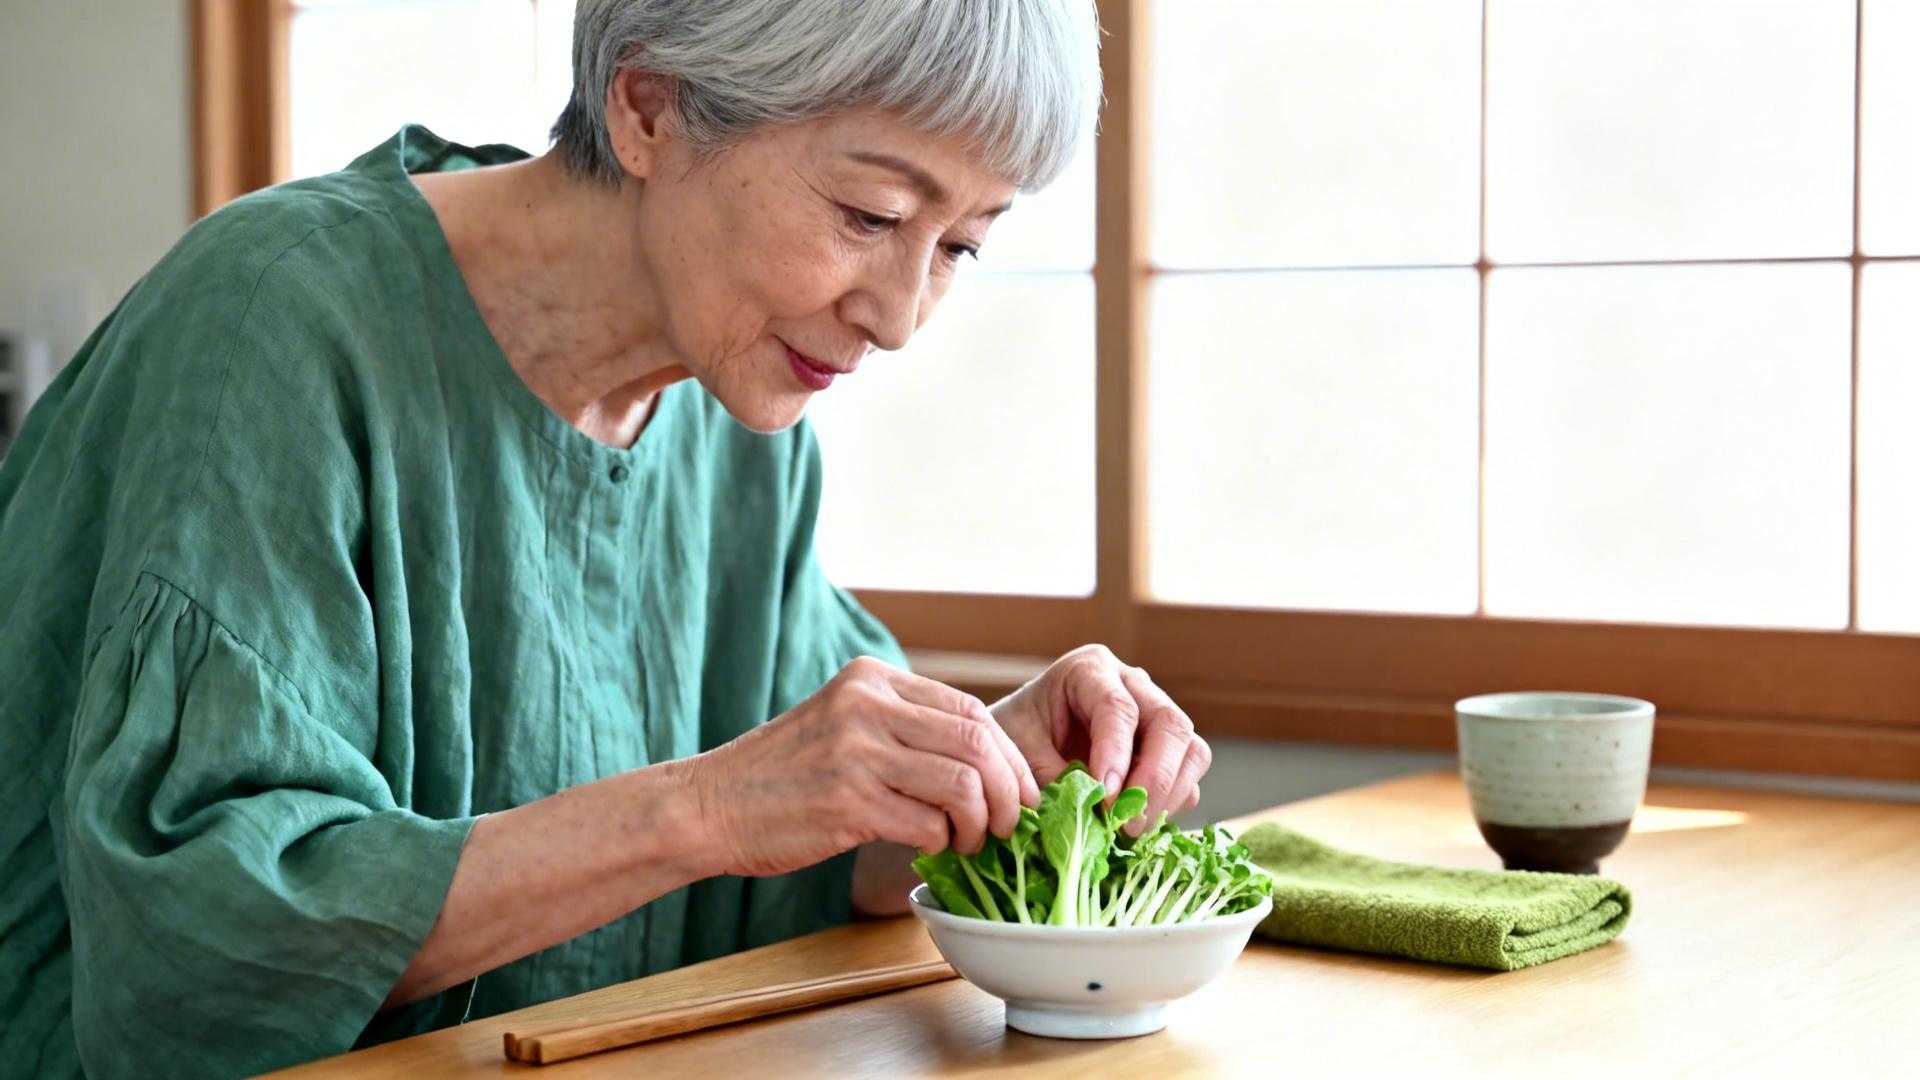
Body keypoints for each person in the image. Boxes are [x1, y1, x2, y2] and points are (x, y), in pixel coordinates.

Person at [0, 2, 1212, 1075]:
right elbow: (196, 952)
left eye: (959, 246)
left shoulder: (745, 400)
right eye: (868, 212)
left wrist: (992, 772)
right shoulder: (273, 322)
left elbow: (804, 842)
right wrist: (709, 809)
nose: (899, 318)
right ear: (647, 108)